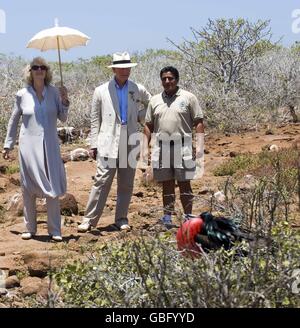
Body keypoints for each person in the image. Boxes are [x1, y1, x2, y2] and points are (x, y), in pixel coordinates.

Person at [78, 52, 151, 232]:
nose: (125, 70)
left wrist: (139, 117)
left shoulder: (137, 88)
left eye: (128, 67)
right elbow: (95, 119)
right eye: (122, 67)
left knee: (126, 182)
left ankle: (121, 218)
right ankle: (89, 220)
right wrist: (93, 144)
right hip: (107, 140)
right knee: (102, 181)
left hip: (130, 138)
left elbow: (152, 105)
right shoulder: (101, 90)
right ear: (114, 69)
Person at [2, 57, 70, 242]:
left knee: (53, 184)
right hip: (28, 146)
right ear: (30, 71)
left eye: (42, 67)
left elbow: (63, 118)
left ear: (47, 71)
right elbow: (14, 120)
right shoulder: (22, 94)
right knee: (28, 186)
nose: (39, 70)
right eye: (35, 67)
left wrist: (64, 101)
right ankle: (30, 228)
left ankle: (55, 229)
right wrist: (8, 144)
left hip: (50, 144)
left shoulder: (55, 92)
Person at [143, 66, 204, 226]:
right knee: (167, 184)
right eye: (164, 78)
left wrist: (199, 146)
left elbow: (198, 122)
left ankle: (188, 217)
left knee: (184, 183)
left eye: (170, 78)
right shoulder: (154, 100)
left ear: (177, 79)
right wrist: (144, 146)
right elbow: (148, 125)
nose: (167, 81)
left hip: (182, 147)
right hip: (161, 148)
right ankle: (167, 218)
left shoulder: (188, 98)